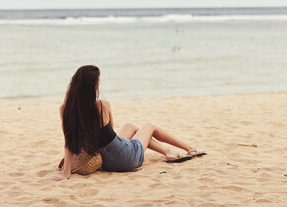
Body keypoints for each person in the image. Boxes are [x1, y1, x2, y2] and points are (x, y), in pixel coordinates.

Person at [51, 65, 205, 181]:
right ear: (94, 86)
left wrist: (66, 173)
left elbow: (69, 143)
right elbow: (111, 132)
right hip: (127, 159)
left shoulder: (65, 109)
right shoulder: (102, 105)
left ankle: (167, 152)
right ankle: (189, 148)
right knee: (149, 126)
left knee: (130, 126)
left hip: (107, 163)